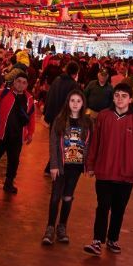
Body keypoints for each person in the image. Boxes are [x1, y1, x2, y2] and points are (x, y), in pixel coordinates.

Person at [83, 83, 133, 256]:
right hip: (104, 172)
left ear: (130, 99)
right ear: (113, 97)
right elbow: (94, 143)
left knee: (119, 209)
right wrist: (90, 165)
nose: (120, 99)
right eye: (117, 95)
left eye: (124, 96)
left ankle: (113, 239)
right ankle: (97, 241)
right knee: (102, 206)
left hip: (126, 175)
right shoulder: (103, 117)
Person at [43, 89, 93, 246]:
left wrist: (88, 165)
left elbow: (90, 144)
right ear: (67, 102)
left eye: (78, 101)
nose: (75, 104)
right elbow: (53, 144)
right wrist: (54, 165)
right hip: (60, 166)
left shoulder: (87, 122)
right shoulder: (60, 120)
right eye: (72, 101)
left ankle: (62, 227)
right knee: (55, 196)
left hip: (76, 167)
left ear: (83, 103)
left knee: (68, 197)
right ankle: (50, 228)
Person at [0, 71, 36, 194]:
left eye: (24, 83)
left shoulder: (29, 99)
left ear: (27, 85)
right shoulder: (3, 93)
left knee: (14, 161)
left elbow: (31, 117)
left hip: (17, 137)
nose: (21, 85)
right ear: (14, 82)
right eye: (18, 82)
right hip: (1, 134)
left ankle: (9, 183)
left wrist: (31, 132)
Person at [43, 62, 79, 128]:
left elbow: (49, 96)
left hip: (53, 116)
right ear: (76, 73)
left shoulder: (57, 79)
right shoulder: (74, 85)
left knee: (53, 136)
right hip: (65, 118)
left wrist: (46, 114)